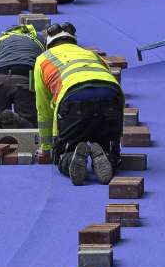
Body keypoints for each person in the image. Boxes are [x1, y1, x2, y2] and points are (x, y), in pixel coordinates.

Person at [33, 23, 124, 186]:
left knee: (61, 154)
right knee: (108, 147)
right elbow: (113, 87)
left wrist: (48, 147)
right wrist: (116, 135)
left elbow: (44, 109)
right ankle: (107, 157)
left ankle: (69, 157)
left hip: (73, 98)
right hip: (110, 97)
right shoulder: (92, 55)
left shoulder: (43, 59)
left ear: (48, 44)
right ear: (73, 41)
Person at [0, 23, 44, 129]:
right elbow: (45, 64)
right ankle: (15, 119)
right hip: (24, 76)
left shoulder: (0, 39)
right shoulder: (37, 38)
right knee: (29, 121)